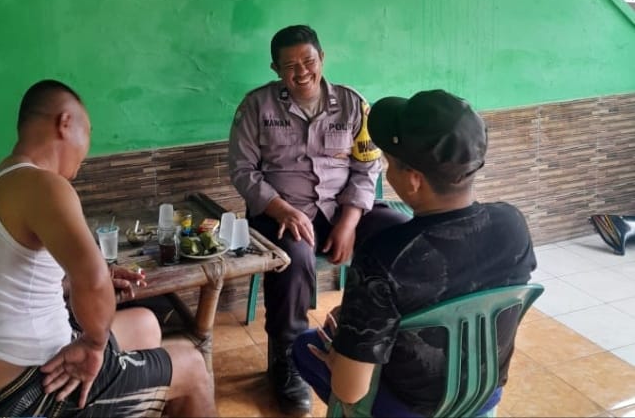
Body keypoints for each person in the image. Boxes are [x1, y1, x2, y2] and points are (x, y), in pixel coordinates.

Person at [0, 79, 216, 418]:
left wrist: (77, 283)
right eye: (89, 132)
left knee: (145, 324)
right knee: (192, 366)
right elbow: (92, 281)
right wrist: (94, 345)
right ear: (65, 122)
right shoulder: (44, 185)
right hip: (22, 395)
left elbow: (4, 279)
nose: (87, 150)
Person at [292, 89, 537, 417]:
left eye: (388, 163)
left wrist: (341, 350)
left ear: (413, 180)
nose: (386, 170)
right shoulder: (512, 224)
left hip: (410, 408)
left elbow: (350, 389)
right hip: (483, 396)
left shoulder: (384, 256)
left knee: (303, 346)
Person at [228, 25, 408, 414]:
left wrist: (349, 222)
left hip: (342, 208)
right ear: (275, 69)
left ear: (322, 58)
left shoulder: (353, 104)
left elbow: (367, 166)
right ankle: (287, 358)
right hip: (281, 211)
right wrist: (280, 208)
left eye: (308, 61)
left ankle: (390, 340)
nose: (302, 72)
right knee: (293, 258)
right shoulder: (256, 106)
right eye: (290, 66)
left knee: (397, 233)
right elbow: (242, 171)